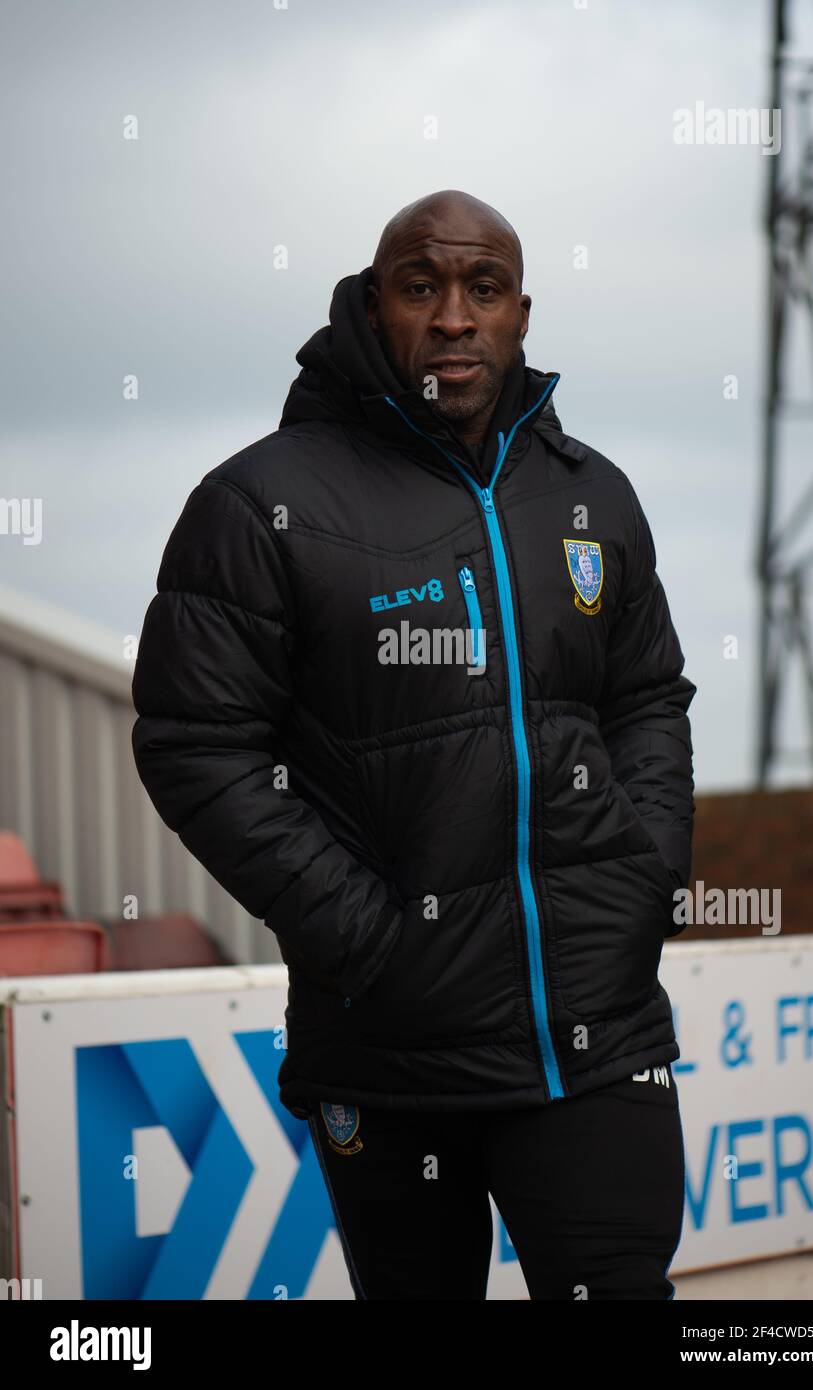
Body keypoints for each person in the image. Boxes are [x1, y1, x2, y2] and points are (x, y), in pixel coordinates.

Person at [131, 189, 697, 1300]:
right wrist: (369, 939)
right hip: (389, 1053)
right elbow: (196, 743)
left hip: (597, 1032)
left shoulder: (592, 498)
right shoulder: (258, 504)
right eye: (420, 286)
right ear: (371, 303)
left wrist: (645, 874)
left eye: (481, 289)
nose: (452, 317)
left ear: (520, 314)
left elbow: (647, 700)